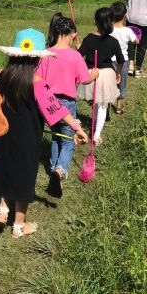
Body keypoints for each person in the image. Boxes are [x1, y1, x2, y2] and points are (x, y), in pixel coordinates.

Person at [0, 28, 86, 234]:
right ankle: (18, 225)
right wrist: (77, 127)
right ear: (36, 59)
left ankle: (1, 211)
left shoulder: (0, 76)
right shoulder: (37, 83)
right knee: (24, 175)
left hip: (3, 134)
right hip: (27, 139)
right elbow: (57, 109)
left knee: (5, 167)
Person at [39, 12, 97, 196]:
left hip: (48, 102)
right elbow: (85, 79)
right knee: (68, 141)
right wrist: (95, 74)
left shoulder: (46, 54)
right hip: (67, 104)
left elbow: (38, 79)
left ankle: (53, 171)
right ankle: (59, 171)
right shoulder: (74, 56)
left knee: (56, 137)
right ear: (71, 34)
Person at [78, 8, 124, 145]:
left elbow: (79, 56)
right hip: (107, 74)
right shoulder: (113, 41)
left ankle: (95, 130)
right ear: (111, 23)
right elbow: (121, 60)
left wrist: (80, 47)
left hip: (91, 72)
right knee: (103, 105)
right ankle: (96, 135)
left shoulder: (89, 38)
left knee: (96, 102)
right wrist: (117, 73)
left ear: (95, 22)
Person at [110, 1, 140, 114]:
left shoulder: (108, 30)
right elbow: (137, 41)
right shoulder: (128, 31)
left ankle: (107, 103)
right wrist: (136, 35)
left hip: (109, 61)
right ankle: (119, 107)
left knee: (110, 82)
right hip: (123, 61)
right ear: (125, 16)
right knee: (122, 83)